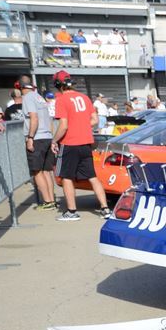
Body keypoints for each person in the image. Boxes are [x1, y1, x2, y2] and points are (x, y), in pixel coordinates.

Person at [50, 71, 110, 221]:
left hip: (69, 142)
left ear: (58, 85)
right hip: (85, 141)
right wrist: (82, 126)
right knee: (92, 176)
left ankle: (71, 211)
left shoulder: (62, 100)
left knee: (66, 177)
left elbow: (63, 126)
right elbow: (95, 120)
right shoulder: (84, 98)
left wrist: (54, 140)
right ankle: (105, 209)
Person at [22, 80, 57, 210]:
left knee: (37, 172)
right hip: (47, 136)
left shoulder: (28, 98)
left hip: (37, 137)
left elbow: (34, 117)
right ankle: (52, 201)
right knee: (47, 171)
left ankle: (47, 202)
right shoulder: (40, 97)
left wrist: (30, 137)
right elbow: (50, 120)